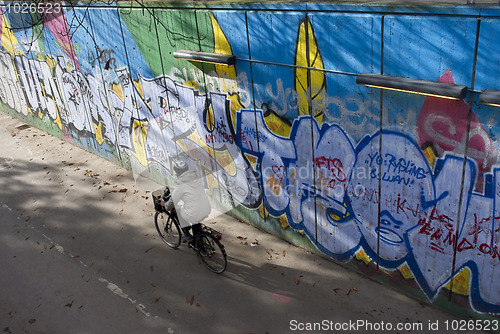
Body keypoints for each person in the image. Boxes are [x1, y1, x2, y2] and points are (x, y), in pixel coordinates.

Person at [162, 160, 211, 243]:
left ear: (177, 172)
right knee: (196, 218)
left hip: (194, 212)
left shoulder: (180, 184)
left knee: (175, 209)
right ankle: (198, 241)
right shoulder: (196, 176)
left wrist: (165, 205)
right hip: (206, 208)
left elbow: (172, 202)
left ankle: (186, 233)